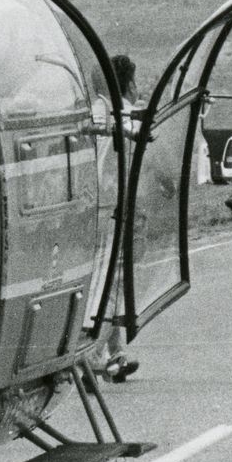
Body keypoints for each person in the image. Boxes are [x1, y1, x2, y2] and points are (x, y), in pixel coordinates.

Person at [100, 52, 142, 382]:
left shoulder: (100, 111)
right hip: (117, 206)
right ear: (128, 84)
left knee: (110, 281)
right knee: (112, 282)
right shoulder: (123, 114)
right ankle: (94, 358)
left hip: (103, 204)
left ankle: (115, 355)